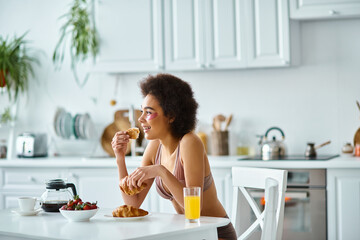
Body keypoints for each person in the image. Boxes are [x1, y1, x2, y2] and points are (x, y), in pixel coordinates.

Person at [111, 73, 237, 240]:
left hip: (214, 234)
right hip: (189, 234)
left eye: (148, 112)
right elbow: (132, 203)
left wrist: (161, 171)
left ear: (171, 115)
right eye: (142, 111)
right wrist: (120, 158)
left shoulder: (189, 142)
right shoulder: (154, 147)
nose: (140, 119)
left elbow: (194, 210)